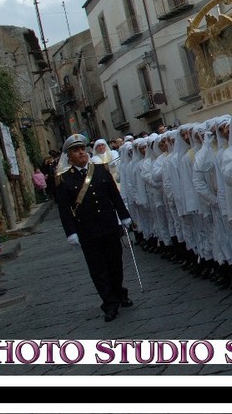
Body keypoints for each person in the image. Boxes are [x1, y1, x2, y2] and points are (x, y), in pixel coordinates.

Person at [54, 134, 134, 322]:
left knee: (115, 263)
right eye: (76, 150)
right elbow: (64, 209)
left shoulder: (100, 170)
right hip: (87, 230)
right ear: (69, 156)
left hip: (108, 225)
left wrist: (124, 216)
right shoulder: (64, 179)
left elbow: (114, 195)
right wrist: (71, 232)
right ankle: (109, 303)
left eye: (82, 148)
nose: (81, 152)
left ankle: (119, 292)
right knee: (98, 268)